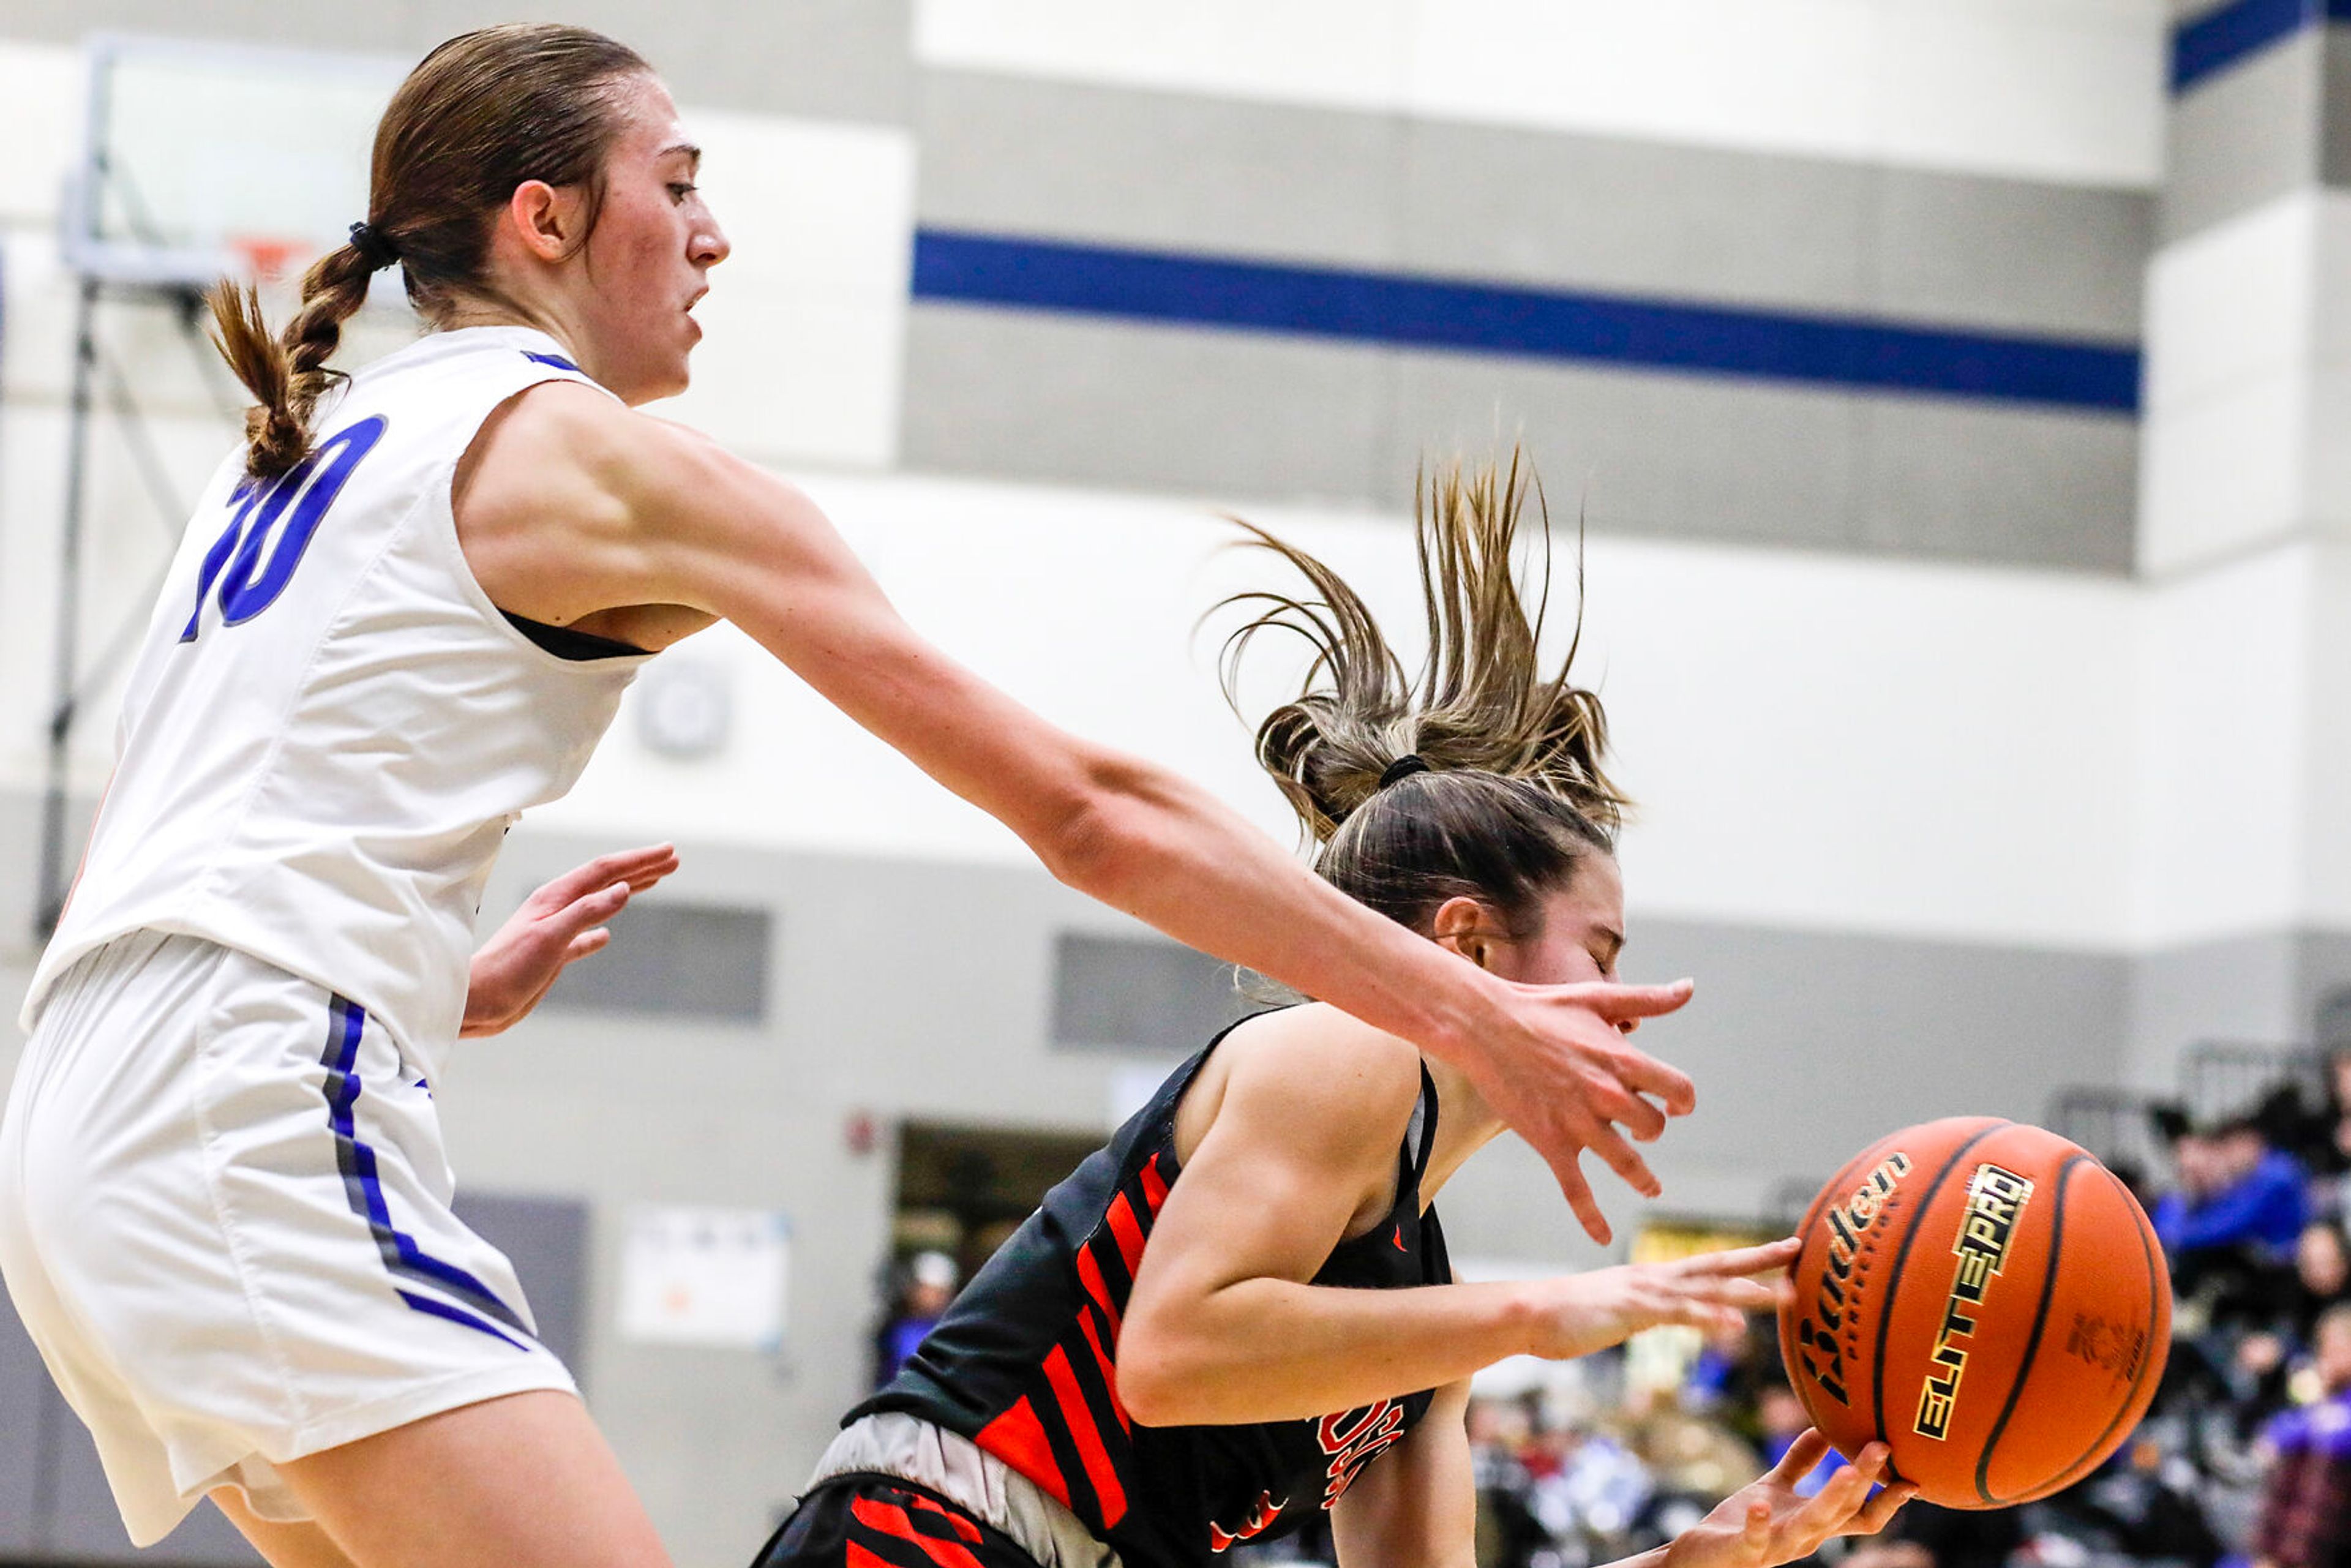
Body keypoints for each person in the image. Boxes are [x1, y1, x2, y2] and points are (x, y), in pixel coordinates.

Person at [0, 24, 1707, 1568]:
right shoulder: (594, 454)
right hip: (250, 1110)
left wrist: (430, 973)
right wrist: (1469, 1015)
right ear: (545, 220)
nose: (716, 235)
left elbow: (158, 868)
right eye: (674, 187)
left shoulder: (303, 459)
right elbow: (1089, 810)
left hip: (84, 1131)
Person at [751, 457, 1910, 1568]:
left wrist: (1700, 1558)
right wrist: (1539, 1311)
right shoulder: (1349, 1055)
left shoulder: (1429, 1313)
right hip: (936, 1532)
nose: (1625, 1009)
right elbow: (1171, 1355)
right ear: (1464, 942)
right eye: (1600, 956)